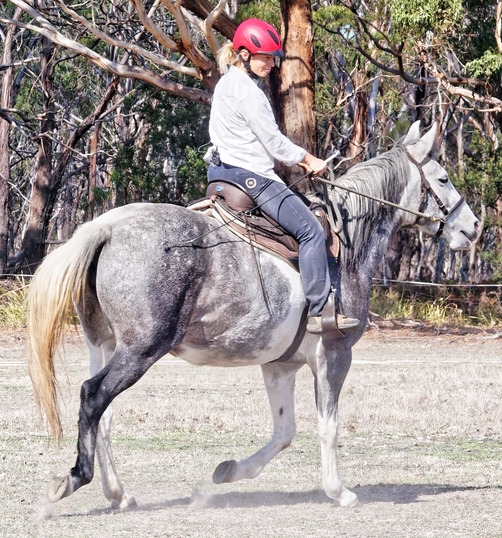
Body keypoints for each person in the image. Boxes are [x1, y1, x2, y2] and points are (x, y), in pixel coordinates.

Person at [206, 18, 359, 334]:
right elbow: (274, 143)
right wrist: (308, 159)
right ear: (245, 54)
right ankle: (319, 312)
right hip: (252, 178)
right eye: (265, 57)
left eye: (273, 57)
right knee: (311, 232)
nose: (271, 64)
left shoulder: (225, 84)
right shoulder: (247, 92)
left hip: (220, 174)